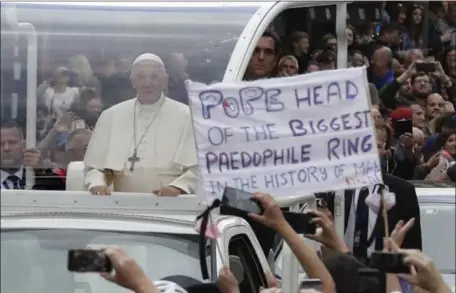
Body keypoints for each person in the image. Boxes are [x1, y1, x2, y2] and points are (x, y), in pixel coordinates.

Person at [84, 53, 198, 196]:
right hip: (121, 203)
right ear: (132, 81)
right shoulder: (111, 115)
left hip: (171, 203)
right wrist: (97, 183)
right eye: (141, 77)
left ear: (164, 80)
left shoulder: (187, 116)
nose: (147, 83)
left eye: (154, 77)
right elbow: (93, 167)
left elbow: (199, 169)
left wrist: (178, 187)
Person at [1, 120, 65, 190]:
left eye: (12, 142)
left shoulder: (34, 174)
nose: (6, 148)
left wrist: (41, 173)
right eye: (0, 144)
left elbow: (58, 195)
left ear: (23, 146)